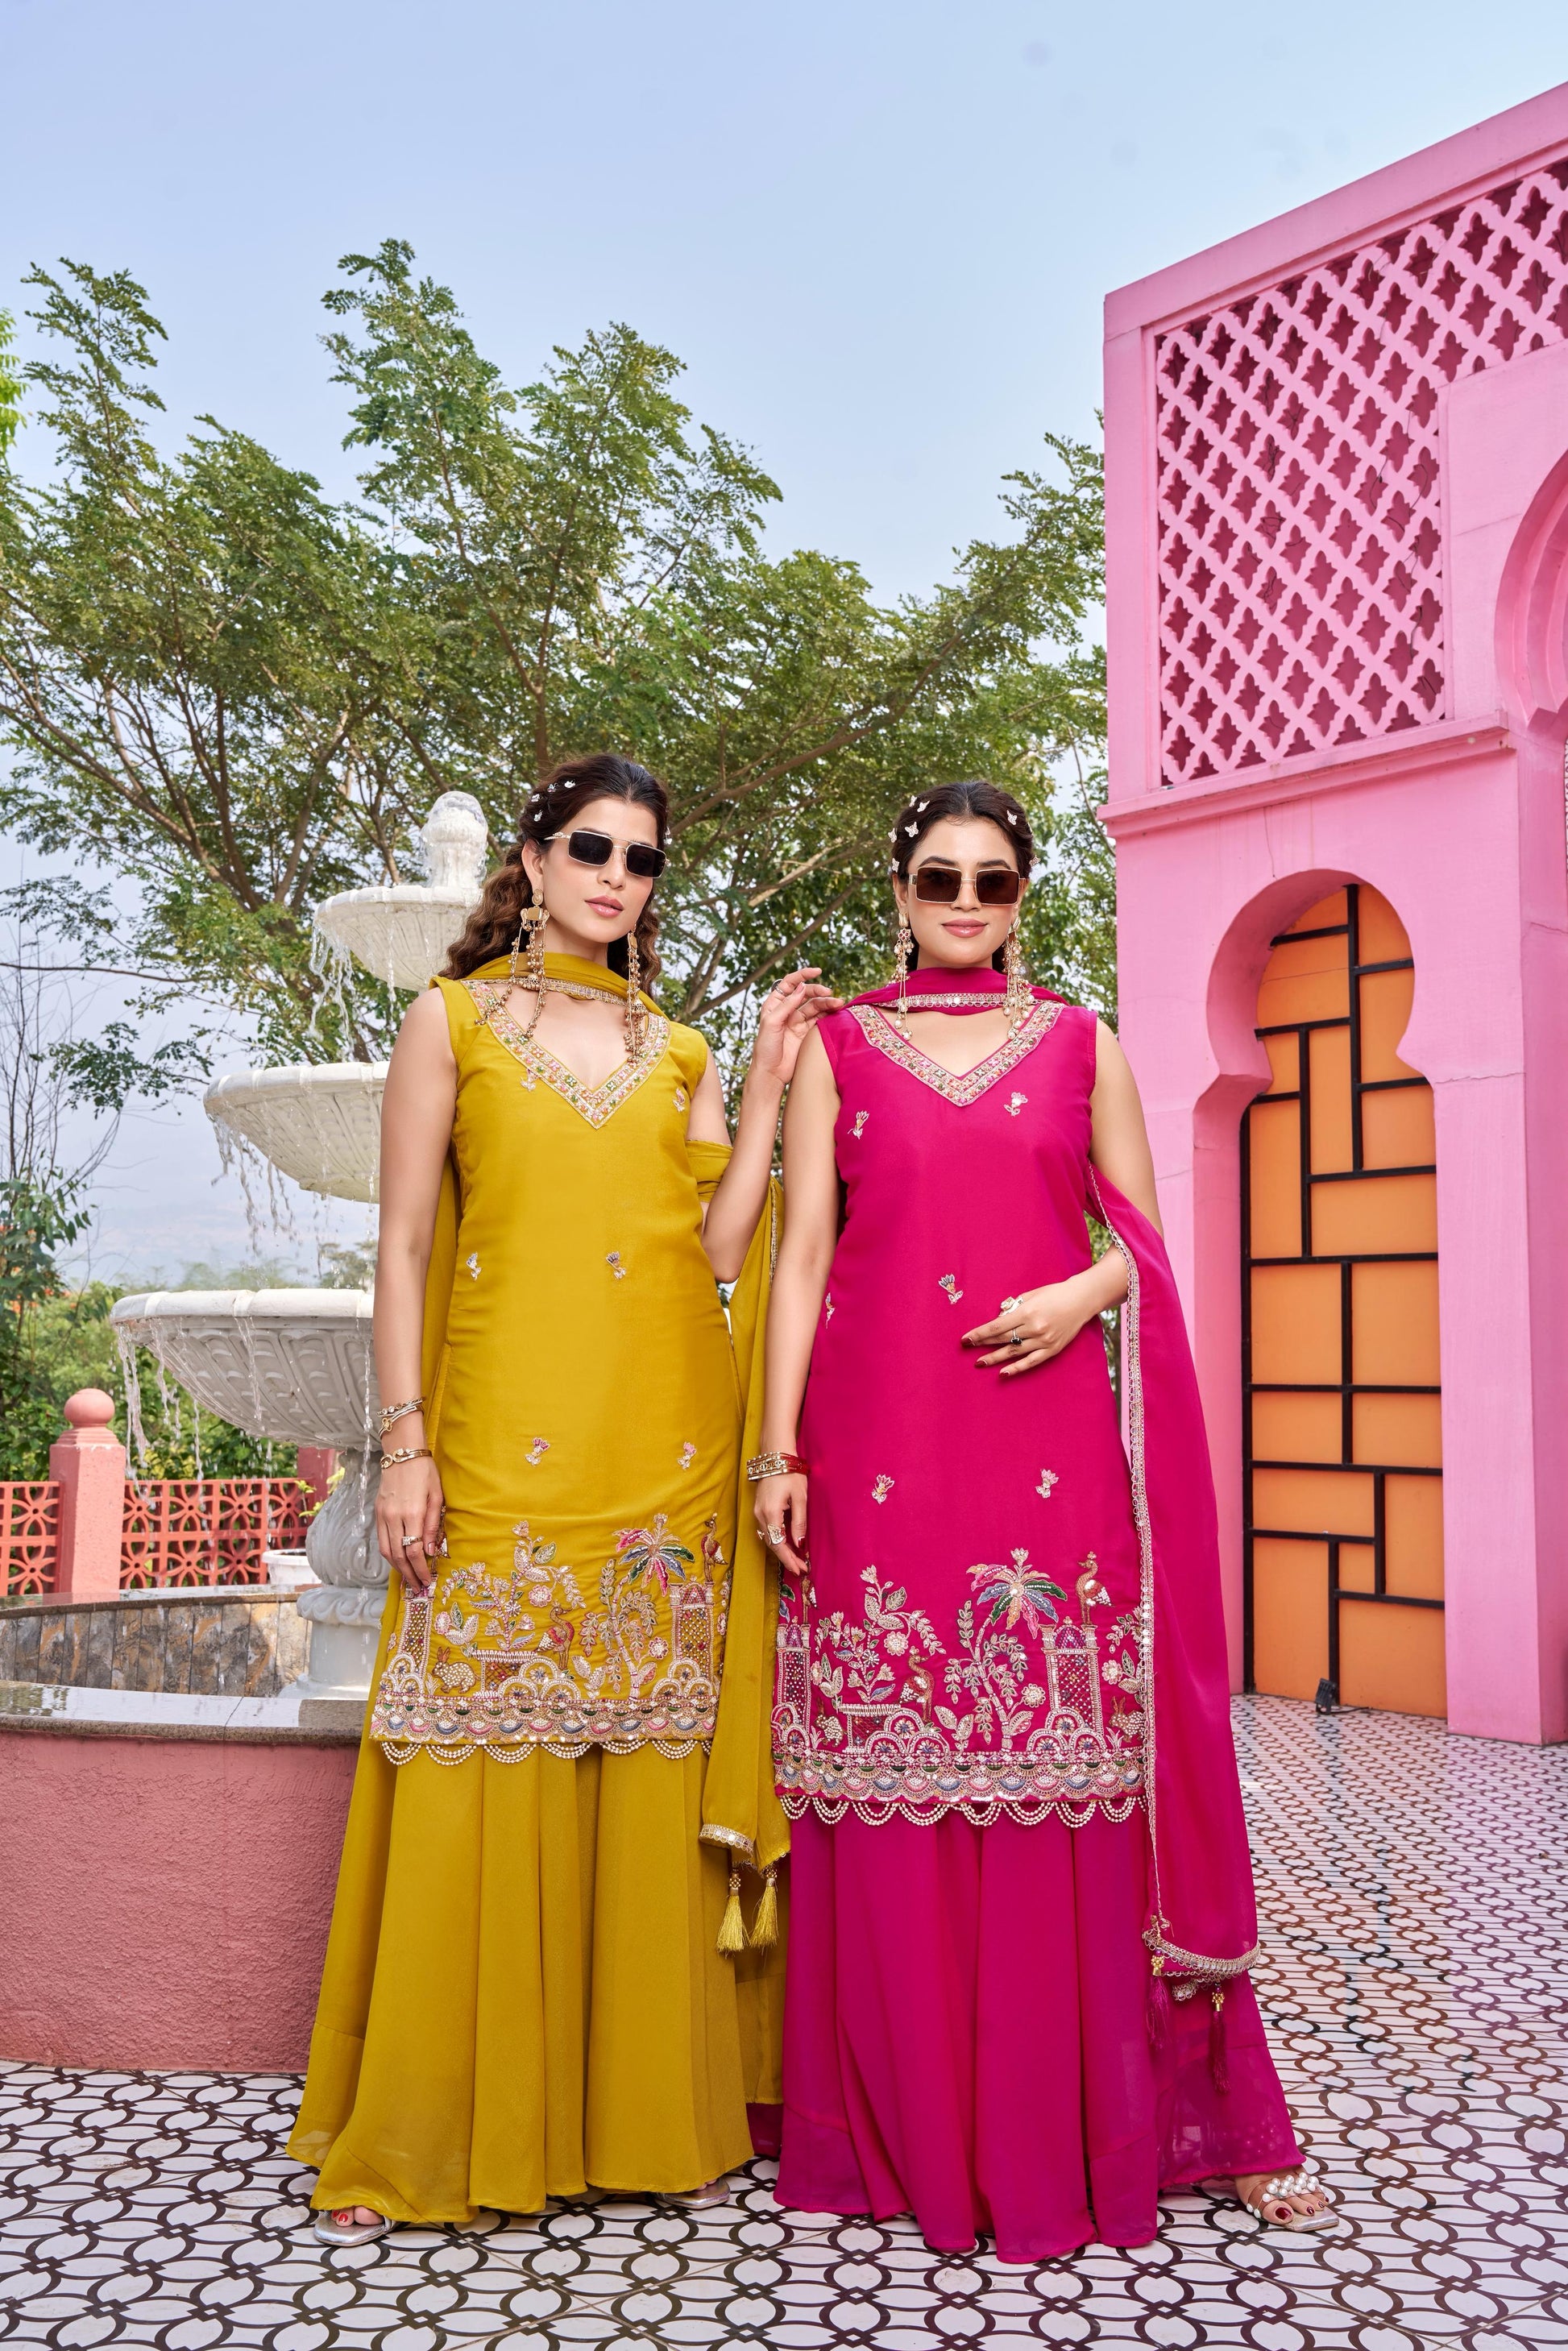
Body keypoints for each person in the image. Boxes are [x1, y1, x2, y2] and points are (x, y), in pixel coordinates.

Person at [753, 778, 1332, 2262]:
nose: (964, 902)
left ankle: (1069, 2125)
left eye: (992, 881)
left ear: (1021, 897)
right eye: (939, 877)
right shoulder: (837, 1048)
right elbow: (802, 1255)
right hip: (876, 1438)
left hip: (1043, 1451)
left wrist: (1082, 1290)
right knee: (883, 1769)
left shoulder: (1084, 1041)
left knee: (1057, 1766)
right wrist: (775, 1454)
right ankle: (893, 2127)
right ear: (899, 890)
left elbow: (1143, 1237)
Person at [289, 752, 827, 2240]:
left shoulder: (679, 1047)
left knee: (638, 1753)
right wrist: (404, 1444)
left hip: (660, 1453)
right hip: (494, 1440)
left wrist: (763, 1089)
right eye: (591, 847)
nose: (615, 876)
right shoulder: (449, 1020)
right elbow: (403, 1246)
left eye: (641, 858)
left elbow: (721, 1251)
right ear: (529, 861)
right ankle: (436, 2126)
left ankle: (633, 2120)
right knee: (483, 1748)